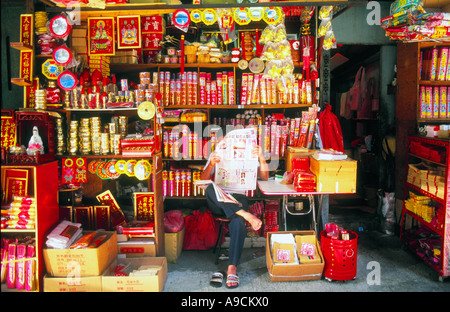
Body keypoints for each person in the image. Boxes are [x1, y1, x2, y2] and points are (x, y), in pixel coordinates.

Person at [200, 144, 269, 288]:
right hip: (219, 198)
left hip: (238, 199)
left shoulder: (249, 153)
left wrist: (261, 157)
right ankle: (245, 214)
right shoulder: (216, 153)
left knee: (237, 222)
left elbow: (265, 177)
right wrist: (211, 163)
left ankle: (232, 267)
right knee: (210, 188)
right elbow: (202, 180)